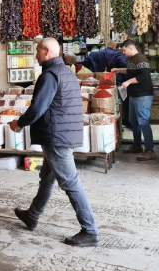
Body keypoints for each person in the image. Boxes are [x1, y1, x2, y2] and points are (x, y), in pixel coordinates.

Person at [9, 38, 100, 247]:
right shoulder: (66, 72)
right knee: (47, 178)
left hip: (57, 136)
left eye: (38, 51)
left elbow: (38, 108)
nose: (36, 55)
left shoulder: (49, 75)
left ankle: (90, 231)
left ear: (47, 51)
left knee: (70, 182)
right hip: (63, 133)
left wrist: (19, 123)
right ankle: (32, 215)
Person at [112, 40, 155, 161]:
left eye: (124, 50)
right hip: (133, 95)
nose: (123, 53)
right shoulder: (132, 59)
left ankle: (150, 150)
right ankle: (137, 145)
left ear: (130, 48)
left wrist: (128, 82)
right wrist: (118, 70)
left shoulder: (141, 59)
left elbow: (144, 76)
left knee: (143, 121)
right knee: (133, 120)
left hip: (143, 95)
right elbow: (131, 71)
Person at [81, 40, 129, 126]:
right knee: (115, 106)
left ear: (107, 46)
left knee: (98, 106)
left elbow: (85, 63)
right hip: (114, 84)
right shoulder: (117, 55)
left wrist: (95, 71)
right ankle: (116, 125)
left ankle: (99, 122)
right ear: (115, 47)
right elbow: (125, 66)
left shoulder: (95, 54)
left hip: (98, 84)